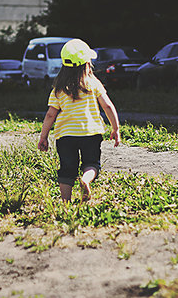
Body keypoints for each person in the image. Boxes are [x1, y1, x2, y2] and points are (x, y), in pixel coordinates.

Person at [38, 38, 120, 202]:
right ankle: (86, 179)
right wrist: (115, 129)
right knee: (91, 164)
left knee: (67, 170)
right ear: (87, 64)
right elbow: (108, 106)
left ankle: (66, 203)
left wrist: (43, 136)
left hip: (66, 136)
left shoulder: (59, 89)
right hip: (91, 133)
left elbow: (50, 115)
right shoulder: (93, 83)